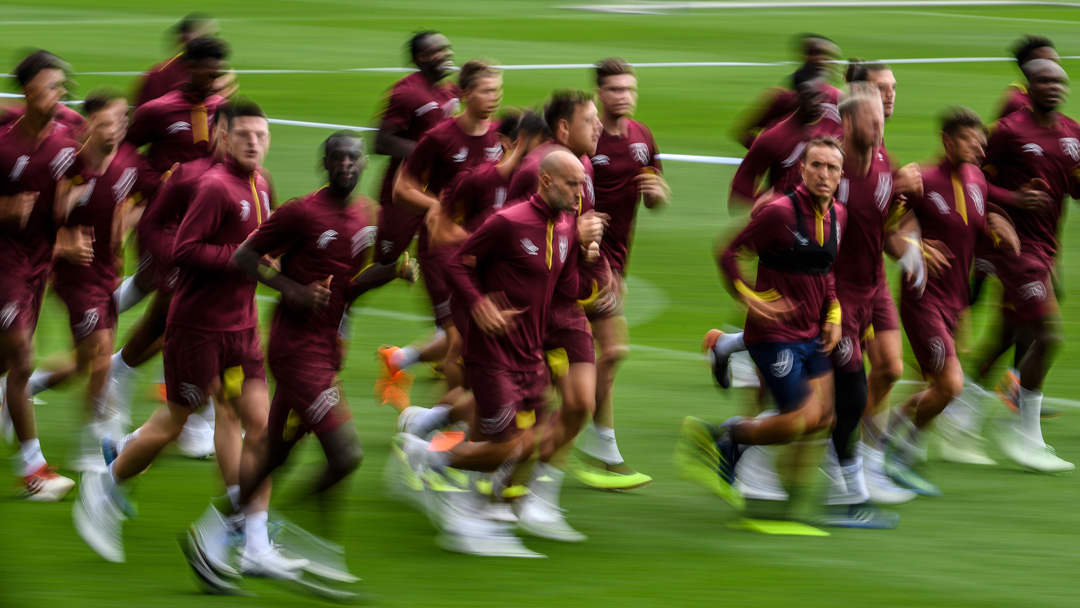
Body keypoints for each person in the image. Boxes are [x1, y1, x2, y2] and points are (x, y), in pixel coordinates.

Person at [73, 101, 300, 582]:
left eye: (262, 134)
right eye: (245, 136)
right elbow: (187, 249)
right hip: (196, 330)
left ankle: (255, 543)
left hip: (241, 328)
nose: (255, 143)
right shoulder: (215, 186)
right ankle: (105, 484)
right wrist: (242, 258)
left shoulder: (261, 184)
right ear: (225, 138)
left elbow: (266, 242)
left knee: (260, 425)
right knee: (172, 424)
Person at [197, 131, 416, 586]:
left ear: (363, 165)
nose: (347, 165)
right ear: (325, 164)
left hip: (327, 351)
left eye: (354, 158)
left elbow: (351, 285)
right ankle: (309, 542)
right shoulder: (301, 211)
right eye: (337, 158)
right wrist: (294, 292)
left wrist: (393, 271)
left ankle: (211, 536)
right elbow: (245, 255)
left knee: (274, 455)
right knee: (346, 455)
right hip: (296, 351)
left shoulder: (364, 217)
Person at [393, 150, 610, 557]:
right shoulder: (508, 222)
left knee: (530, 441)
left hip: (530, 351)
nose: (581, 193)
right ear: (546, 182)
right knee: (505, 445)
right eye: (572, 184)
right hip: (492, 352)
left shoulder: (564, 228)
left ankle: (490, 507)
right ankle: (427, 457)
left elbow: (563, 291)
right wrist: (478, 305)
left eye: (583, 184)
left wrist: (591, 272)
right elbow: (458, 265)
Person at [679, 137, 848, 512]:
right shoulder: (779, 213)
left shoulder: (839, 214)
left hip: (812, 332)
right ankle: (725, 437)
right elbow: (727, 250)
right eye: (816, 165)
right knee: (797, 420)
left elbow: (827, 270)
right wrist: (746, 296)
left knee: (824, 418)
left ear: (840, 175)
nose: (823, 174)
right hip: (773, 336)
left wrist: (833, 313)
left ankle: (739, 448)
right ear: (802, 169)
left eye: (831, 168)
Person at [883, 107, 1022, 493]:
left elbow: (971, 225)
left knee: (937, 388)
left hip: (956, 303)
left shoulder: (976, 179)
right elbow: (881, 230)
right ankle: (893, 449)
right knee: (950, 386)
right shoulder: (921, 180)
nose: (978, 147)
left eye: (981, 141)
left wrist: (996, 224)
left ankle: (886, 445)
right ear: (947, 141)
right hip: (923, 297)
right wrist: (912, 249)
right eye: (969, 140)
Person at [955, 59, 1078, 473]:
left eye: (1060, 81)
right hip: (1011, 249)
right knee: (1048, 336)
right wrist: (1010, 203)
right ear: (1029, 85)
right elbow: (970, 175)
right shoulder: (1008, 131)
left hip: (1045, 251)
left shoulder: (1073, 134)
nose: (1055, 87)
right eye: (1045, 80)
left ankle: (961, 419)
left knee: (1007, 335)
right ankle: (1024, 436)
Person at [379, 59, 503, 405]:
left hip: (481, 252)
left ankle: (401, 362)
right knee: (459, 339)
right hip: (442, 253)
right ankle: (443, 424)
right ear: (465, 94)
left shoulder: (500, 137)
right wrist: (435, 207)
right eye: (487, 91)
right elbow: (402, 189)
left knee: (467, 335)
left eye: (498, 90)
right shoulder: (440, 137)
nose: (494, 98)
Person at [49, 88, 154, 470]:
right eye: (107, 123)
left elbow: (144, 197)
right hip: (73, 275)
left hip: (108, 272)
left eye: (121, 121)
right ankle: (91, 447)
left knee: (85, 361)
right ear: (90, 124)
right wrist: (64, 244)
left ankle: (20, 388)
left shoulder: (130, 160)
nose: (115, 130)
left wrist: (128, 220)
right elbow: (30, 229)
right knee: (99, 356)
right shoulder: (66, 167)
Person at [578, 59, 671, 489]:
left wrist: (659, 194)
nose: (624, 96)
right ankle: (593, 441)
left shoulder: (642, 136)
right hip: (582, 260)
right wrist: (600, 267)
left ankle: (594, 442)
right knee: (610, 351)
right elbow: (575, 209)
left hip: (615, 261)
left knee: (592, 356)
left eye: (629, 88)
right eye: (614, 89)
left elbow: (656, 195)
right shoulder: (587, 143)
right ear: (599, 92)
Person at [0, 50, 80, 501]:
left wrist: (69, 226)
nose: (60, 94)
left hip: (40, 265)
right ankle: (33, 471)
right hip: (5, 264)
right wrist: (5, 208)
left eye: (61, 87)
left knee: (5, 360)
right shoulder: (4, 145)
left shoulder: (67, 144)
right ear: (30, 92)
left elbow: (79, 192)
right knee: (22, 360)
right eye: (52, 87)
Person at [728, 75, 843, 211]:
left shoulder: (827, 133)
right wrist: (770, 204)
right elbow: (741, 183)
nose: (815, 103)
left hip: (823, 214)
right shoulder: (774, 138)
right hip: (788, 218)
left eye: (818, 97)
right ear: (796, 99)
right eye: (809, 97)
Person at [730, 34, 842, 149]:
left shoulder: (836, 97)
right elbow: (742, 133)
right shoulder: (782, 100)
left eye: (828, 55)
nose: (821, 59)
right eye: (814, 53)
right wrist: (771, 157)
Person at [132, 12, 222, 107]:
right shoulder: (158, 76)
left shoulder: (220, 75)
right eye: (206, 36)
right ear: (185, 38)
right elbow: (142, 116)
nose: (212, 42)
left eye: (215, 36)